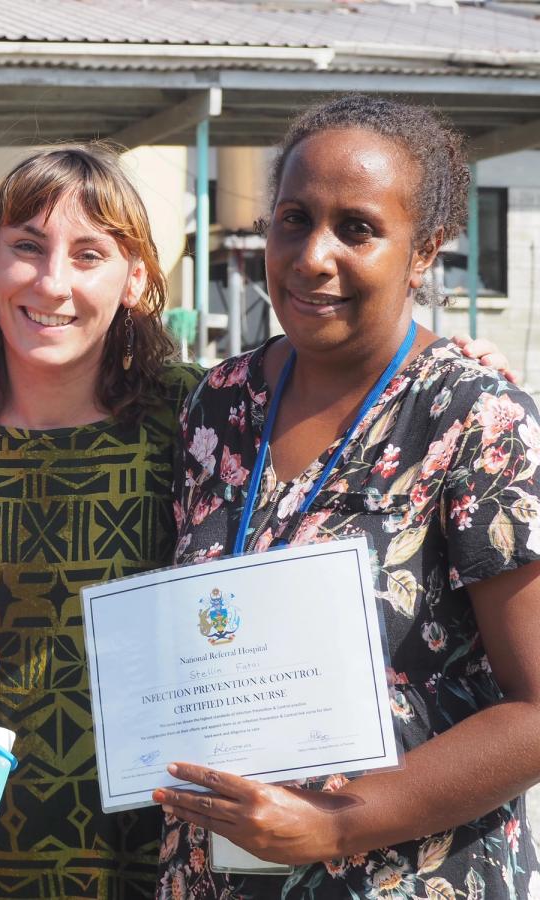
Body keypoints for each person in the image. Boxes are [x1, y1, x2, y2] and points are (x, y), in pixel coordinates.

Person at [154, 95, 540, 900]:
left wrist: (336, 823)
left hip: (404, 877)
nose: (311, 256)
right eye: (293, 219)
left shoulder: (475, 419)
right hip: (217, 875)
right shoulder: (218, 405)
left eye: (357, 228)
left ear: (424, 248)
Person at [0, 144, 204, 898]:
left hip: (144, 829)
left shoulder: (191, 410)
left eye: (89, 254)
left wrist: (445, 368)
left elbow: (336, 435)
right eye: (26, 249)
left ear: (134, 279)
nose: (52, 282)